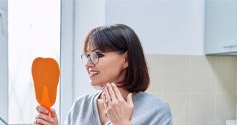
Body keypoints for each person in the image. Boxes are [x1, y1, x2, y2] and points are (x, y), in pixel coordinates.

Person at [34, 24, 173, 125]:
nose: (88, 63)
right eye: (87, 55)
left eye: (98, 55)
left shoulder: (156, 111)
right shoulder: (81, 106)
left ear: (126, 59)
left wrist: (122, 123)